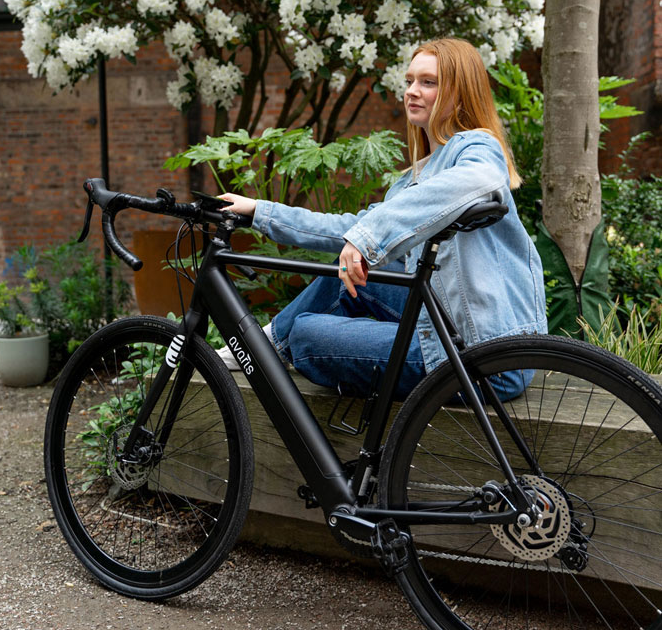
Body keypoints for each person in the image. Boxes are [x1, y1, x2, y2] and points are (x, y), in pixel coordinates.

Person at [218, 37, 547, 399]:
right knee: (342, 275)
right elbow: (349, 229)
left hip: (483, 358)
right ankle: (262, 344)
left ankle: (272, 345)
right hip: (457, 330)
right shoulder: (415, 179)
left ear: (461, 92)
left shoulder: (478, 148)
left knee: (308, 334)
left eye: (428, 82)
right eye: (409, 81)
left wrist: (369, 236)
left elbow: (480, 179)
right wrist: (259, 211)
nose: (412, 92)